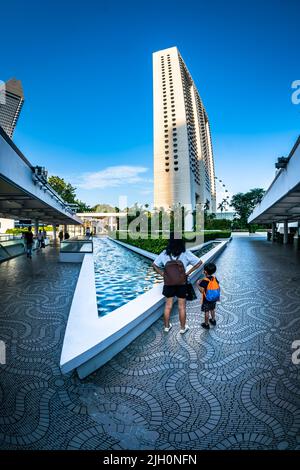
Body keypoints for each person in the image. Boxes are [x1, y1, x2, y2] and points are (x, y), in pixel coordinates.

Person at [152, 235, 203, 334]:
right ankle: (183, 328)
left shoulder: (164, 253)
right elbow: (199, 262)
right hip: (181, 283)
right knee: (182, 307)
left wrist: (163, 274)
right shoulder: (185, 253)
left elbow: (154, 265)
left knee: (168, 306)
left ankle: (166, 327)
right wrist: (187, 273)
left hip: (169, 283)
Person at [197, 262, 220, 330]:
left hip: (206, 299)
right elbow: (217, 284)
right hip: (214, 298)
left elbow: (202, 291)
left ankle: (206, 324)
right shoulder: (214, 278)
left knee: (206, 311)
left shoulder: (205, 281)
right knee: (212, 309)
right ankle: (213, 320)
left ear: (205, 272)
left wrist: (198, 284)